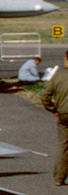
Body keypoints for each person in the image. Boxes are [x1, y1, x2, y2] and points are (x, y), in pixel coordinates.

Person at [41, 50, 68, 188]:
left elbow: (44, 96)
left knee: (63, 146)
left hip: (64, 114)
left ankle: (59, 178)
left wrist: (53, 110)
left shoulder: (58, 76)